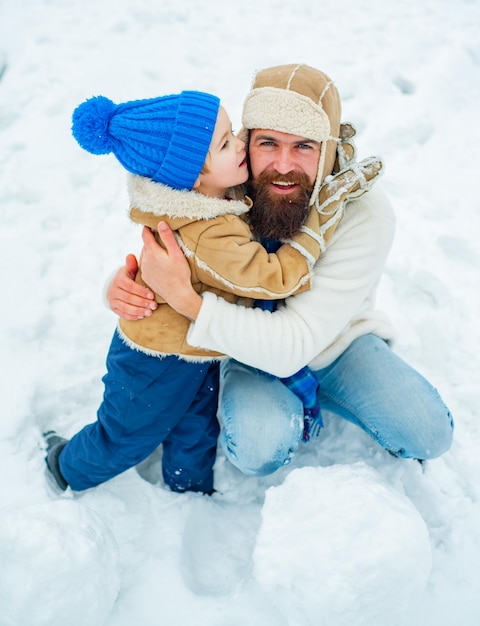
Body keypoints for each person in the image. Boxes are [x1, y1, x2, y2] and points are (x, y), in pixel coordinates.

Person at [108, 63, 454, 478]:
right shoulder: (227, 180)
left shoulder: (363, 211)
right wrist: (123, 285)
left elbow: (296, 342)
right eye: (268, 142)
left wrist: (187, 301)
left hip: (335, 339)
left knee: (428, 433)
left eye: (304, 146)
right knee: (258, 447)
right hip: (243, 342)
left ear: (326, 148)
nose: (283, 165)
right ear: (246, 139)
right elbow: (171, 248)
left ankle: (336, 393)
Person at [44, 86, 379, 494]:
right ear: (196, 175)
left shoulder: (211, 200)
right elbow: (274, 277)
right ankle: (67, 466)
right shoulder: (211, 233)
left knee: (196, 423)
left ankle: (189, 486)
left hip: (195, 348)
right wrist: (316, 227)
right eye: (226, 142)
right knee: (128, 433)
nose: (240, 142)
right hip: (153, 359)